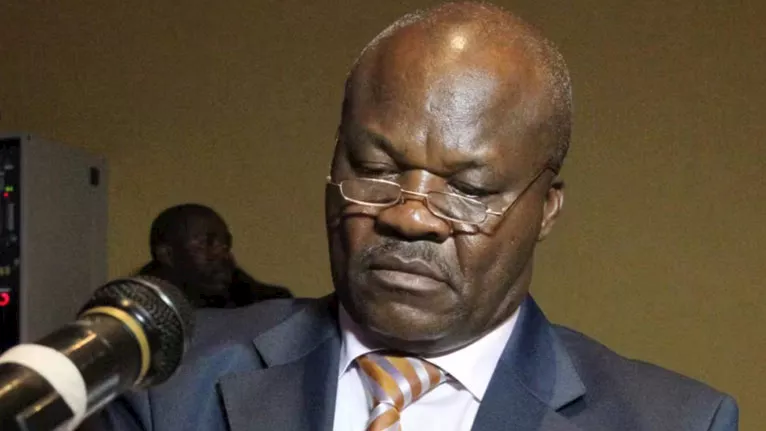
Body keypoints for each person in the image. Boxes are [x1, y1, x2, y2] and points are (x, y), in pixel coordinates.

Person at [94, 2, 738, 430]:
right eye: (375, 170)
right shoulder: (164, 380)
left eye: (469, 188)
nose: (409, 217)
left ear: (546, 210)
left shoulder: (676, 421)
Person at [137, 203, 292, 308]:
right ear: (167, 255)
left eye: (226, 241)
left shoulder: (266, 303)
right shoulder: (138, 310)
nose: (222, 250)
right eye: (207, 242)